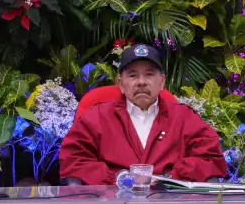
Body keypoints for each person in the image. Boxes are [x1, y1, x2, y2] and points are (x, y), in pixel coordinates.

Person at [60, 44, 227, 184]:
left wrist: (170, 179)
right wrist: (118, 178)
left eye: (149, 74)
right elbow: (73, 160)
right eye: (132, 75)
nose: (141, 82)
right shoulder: (96, 116)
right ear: (121, 83)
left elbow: (210, 159)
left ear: (162, 82)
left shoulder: (184, 117)